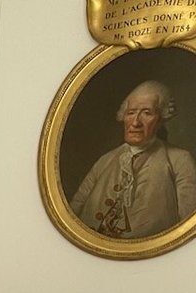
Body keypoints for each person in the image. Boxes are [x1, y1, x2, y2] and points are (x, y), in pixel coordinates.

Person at [69, 79, 196, 238]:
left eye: (147, 113)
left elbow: (189, 227)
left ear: (161, 119)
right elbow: (73, 212)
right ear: (123, 117)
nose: (135, 122)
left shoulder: (180, 160)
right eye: (131, 113)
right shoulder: (105, 160)